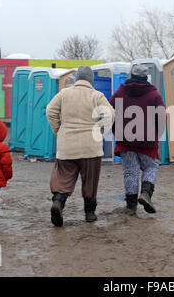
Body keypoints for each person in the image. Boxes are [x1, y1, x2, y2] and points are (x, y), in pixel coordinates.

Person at [46, 66, 114, 227]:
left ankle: (58, 202)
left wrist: (59, 130)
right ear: (91, 80)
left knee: (62, 178)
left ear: (77, 79)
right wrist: (99, 131)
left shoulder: (63, 94)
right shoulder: (97, 96)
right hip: (91, 148)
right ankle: (90, 213)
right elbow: (110, 114)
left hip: (67, 146)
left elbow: (50, 111)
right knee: (90, 181)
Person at [109, 64, 166, 215]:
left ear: (131, 76)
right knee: (151, 167)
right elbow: (161, 117)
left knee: (130, 172)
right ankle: (146, 193)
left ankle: (131, 206)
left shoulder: (120, 92)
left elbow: (110, 113)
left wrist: (117, 132)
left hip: (125, 139)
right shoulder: (154, 95)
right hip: (147, 140)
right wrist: (156, 135)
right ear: (146, 77)